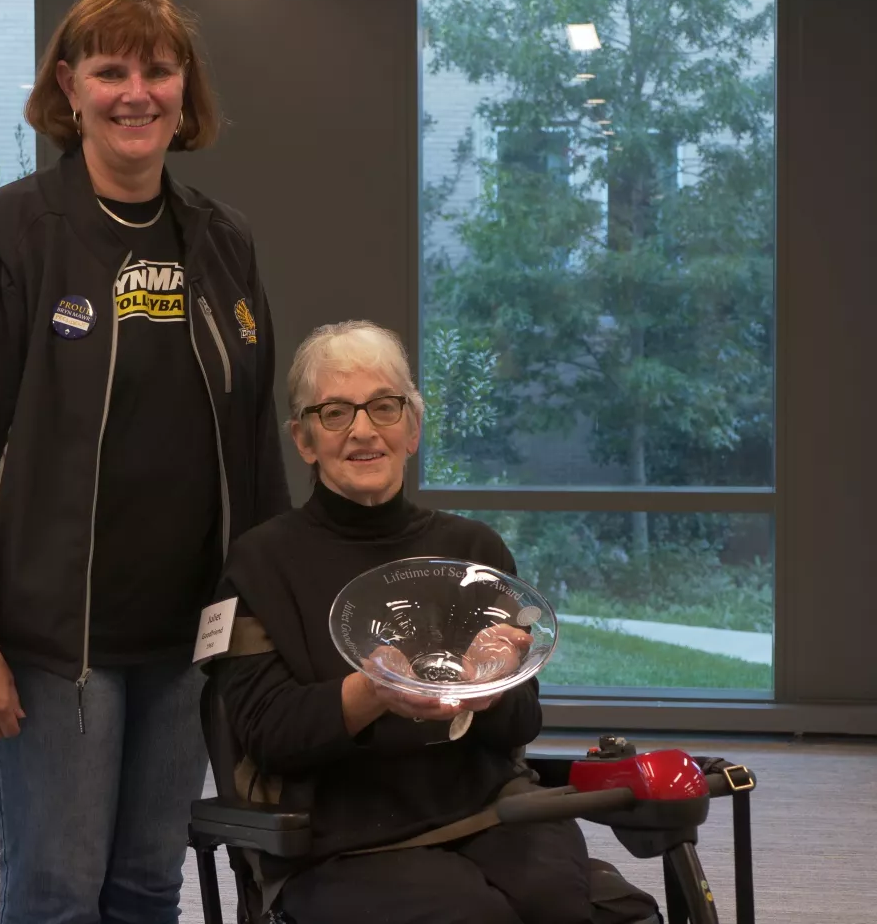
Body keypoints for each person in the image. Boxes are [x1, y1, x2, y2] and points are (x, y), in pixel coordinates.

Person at [0, 0, 291, 924]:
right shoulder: (4, 238)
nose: (136, 92)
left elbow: (252, 453)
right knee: (57, 892)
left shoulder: (222, 242)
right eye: (110, 70)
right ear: (67, 89)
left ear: (184, 91)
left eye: (158, 70)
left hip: (187, 641)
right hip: (49, 645)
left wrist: (273, 622)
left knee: (147, 886)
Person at [208, 321, 659, 924]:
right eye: (336, 412)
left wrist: (496, 684)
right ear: (304, 438)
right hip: (345, 840)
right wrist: (367, 695)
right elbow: (268, 736)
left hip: (492, 810)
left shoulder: (475, 551)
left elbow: (522, 721)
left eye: (384, 407)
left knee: (580, 909)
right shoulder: (258, 565)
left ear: (412, 428)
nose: (364, 430)